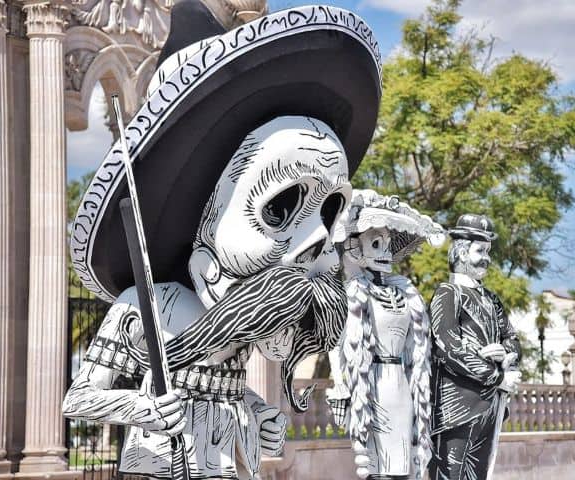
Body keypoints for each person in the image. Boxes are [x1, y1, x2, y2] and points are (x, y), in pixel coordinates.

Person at [63, 5, 383, 478]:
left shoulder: (240, 320)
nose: (317, 242)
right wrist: (141, 407)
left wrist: (258, 412)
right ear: (207, 220)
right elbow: (80, 397)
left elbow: (218, 386)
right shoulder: (147, 305)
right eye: (280, 208)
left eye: (328, 212)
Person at [327, 190, 445, 479]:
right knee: (375, 464)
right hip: (372, 383)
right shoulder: (353, 294)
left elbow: (415, 346)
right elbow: (336, 343)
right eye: (376, 243)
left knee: (404, 462)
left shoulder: (405, 293)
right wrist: (341, 385)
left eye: (388, 245)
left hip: (402, 385)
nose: (385, 253)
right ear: (355, 247)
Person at [428, 214, 522, 480]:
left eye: (488, 251)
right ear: (461, 252)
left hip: (490, 408)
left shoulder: (491, 299)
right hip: (456, 409)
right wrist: (498, 377)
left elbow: (512, 338)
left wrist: (506, 353)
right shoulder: (447, 293)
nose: (486, 258)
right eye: (480, 251)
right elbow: (448, 348)